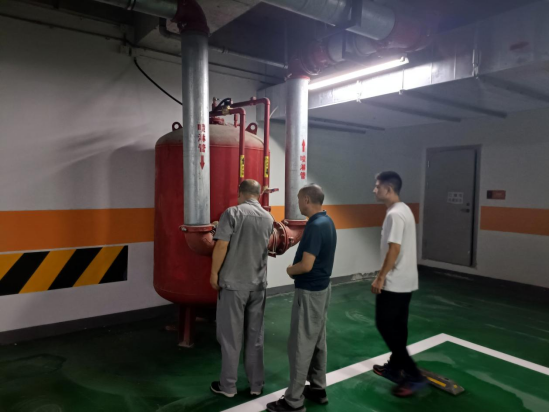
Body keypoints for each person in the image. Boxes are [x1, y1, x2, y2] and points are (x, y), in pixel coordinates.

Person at [267, 184, 337, 412]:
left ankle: (293, 401)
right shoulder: (327, 221)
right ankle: (317, 388)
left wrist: (290, 270)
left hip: (309, 292)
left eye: (298, 199)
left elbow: (306, 265)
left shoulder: (315, 226)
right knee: (317, 340)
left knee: (301, 345)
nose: (297, 203)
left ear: (307, 199)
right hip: (322, 289)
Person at [209, 179, 274, 398]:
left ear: (240, 193)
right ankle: (256, 385)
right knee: (255, 337)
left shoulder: (232, 213)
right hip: (258, 285)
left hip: (234, 285)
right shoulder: (268, 217)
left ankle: (228, 386)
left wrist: (214, 273)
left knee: (230, 337)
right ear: (258, 195)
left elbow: (222, 244)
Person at [371, 171, 427, 397]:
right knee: (399, 326)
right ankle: (395, 367)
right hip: (407, 280)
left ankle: (414, 375)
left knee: (385, 326)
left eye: (377, 186)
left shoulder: (394, 214)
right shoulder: (404, 210)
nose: (374, 190)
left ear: (389, 189)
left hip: (394, 283)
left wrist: (380, 277)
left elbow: (394, 248)